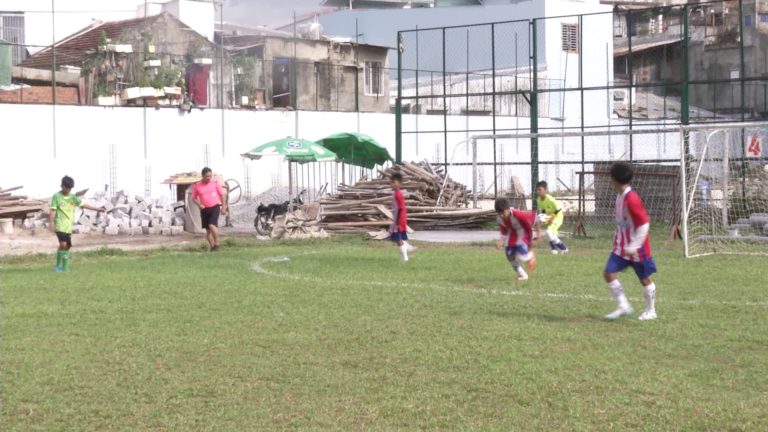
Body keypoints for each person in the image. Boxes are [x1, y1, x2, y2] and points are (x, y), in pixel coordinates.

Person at [603, 162, 658, 321]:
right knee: (609, 273)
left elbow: (644, 223)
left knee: (645, 279)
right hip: (621, 247)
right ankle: (623, 305)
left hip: (638, 249)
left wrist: (634, 245)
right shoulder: (620, 196)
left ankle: (651, 311)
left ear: (614, 179)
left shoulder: (632, 199)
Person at [49, 175, 106, 272]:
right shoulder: (57, 196)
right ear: (62, 186)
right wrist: (51, 223)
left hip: (68, 226)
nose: (68, 190)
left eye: (70, 188)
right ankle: (59, 266)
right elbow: (52, 210)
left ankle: (64, 266)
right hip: (59, 224)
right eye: (66, 188)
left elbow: (84, 205)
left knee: (68, 246)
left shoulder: (73, 197)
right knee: (63, 244)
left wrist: (98, 209)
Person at [495, 198, 537, 281]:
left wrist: (530, 241)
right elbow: (503, 229)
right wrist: (500, 240)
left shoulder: (518, 215)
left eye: (503, 213)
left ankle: (530, 257)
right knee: (509, 256)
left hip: (523, 232)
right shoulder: (499, 218)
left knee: (522, 257)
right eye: (499, 213)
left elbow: (528, 227)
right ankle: (523, 275)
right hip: (512, 233)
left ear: (508, 209)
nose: (502, 215)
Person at [191, 167, 228, 252]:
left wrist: (223, 207)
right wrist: (199, 204)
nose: (209, 178)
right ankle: (213, 248)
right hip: (204, 209)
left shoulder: (215, 183)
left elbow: (222, 195)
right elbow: (193, 198)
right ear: (202, 176)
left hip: (214, 207)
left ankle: (217, 244)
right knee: (208, 231)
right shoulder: (197, 185)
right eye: (207, 176)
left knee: (212, 225)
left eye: (210, 176)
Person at [535, 181, 569, 255]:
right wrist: (543, 216)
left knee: (548, 232)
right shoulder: (538, 200)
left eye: (540, 189)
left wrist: (550, 217)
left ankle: (559, 248)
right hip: (550, 217)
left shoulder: (550, 199)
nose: (538, 191)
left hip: (558, 217)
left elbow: (559, 209)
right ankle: (559, 249)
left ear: (545, 190)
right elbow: (543, 210)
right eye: (537, 190)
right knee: (551, 235)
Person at [389, 172, 415, 261]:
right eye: (391, 182)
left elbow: (400, 208)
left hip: (400, 219)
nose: (392, 184)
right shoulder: (396, 193)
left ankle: (405, 257)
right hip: (399, 218)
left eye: (394, 182)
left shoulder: (398, 194)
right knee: (398, 238)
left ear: (399, 183)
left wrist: (397, 222)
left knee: (398, 238)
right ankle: (407, 249)